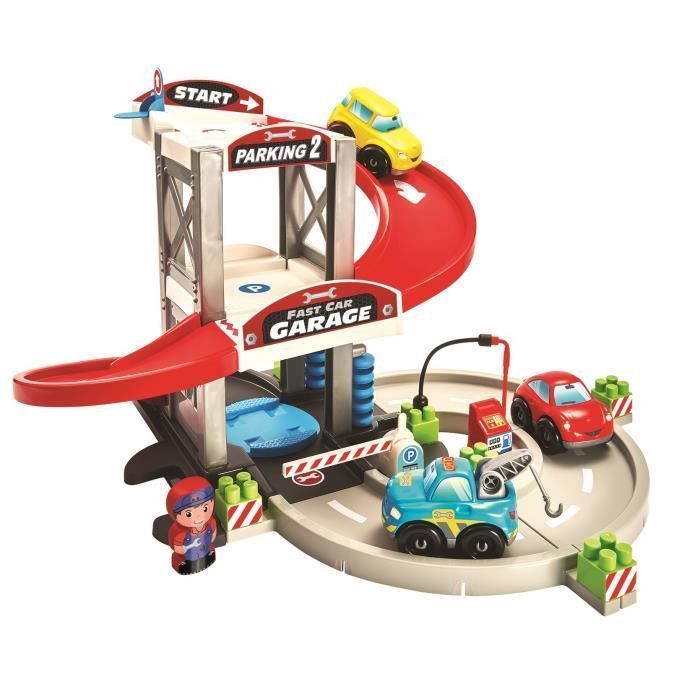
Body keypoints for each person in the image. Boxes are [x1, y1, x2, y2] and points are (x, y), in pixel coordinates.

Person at [166, 476, 217, 575]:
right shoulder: (181, 534)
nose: (199, 517)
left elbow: (212, 536)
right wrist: (189, 547)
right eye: (189, 514)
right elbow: (178, 548)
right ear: (175, 515)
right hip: (188, 559)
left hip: (206, 552)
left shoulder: (211, 523)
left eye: (205, 508)